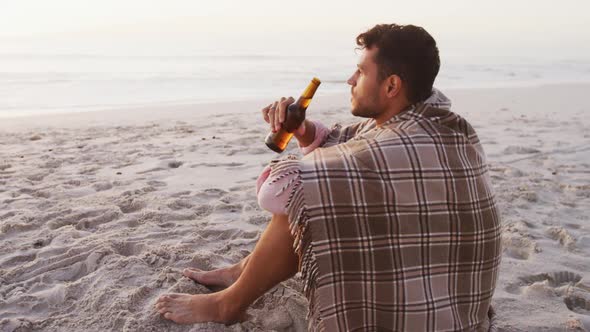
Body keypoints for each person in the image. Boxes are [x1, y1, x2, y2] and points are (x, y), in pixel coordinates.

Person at [155, 23, 502, 331]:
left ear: (392, 85)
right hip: (452, 291)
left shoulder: (401, 143)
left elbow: (278, 193)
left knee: (313, 197)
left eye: (361, 72)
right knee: (325, 187)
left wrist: (300, 166)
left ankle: (229, 304)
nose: (350, 80)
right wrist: (303, 131)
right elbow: (351, 143)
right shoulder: (433, 118)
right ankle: (244, 270)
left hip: (425, 313)